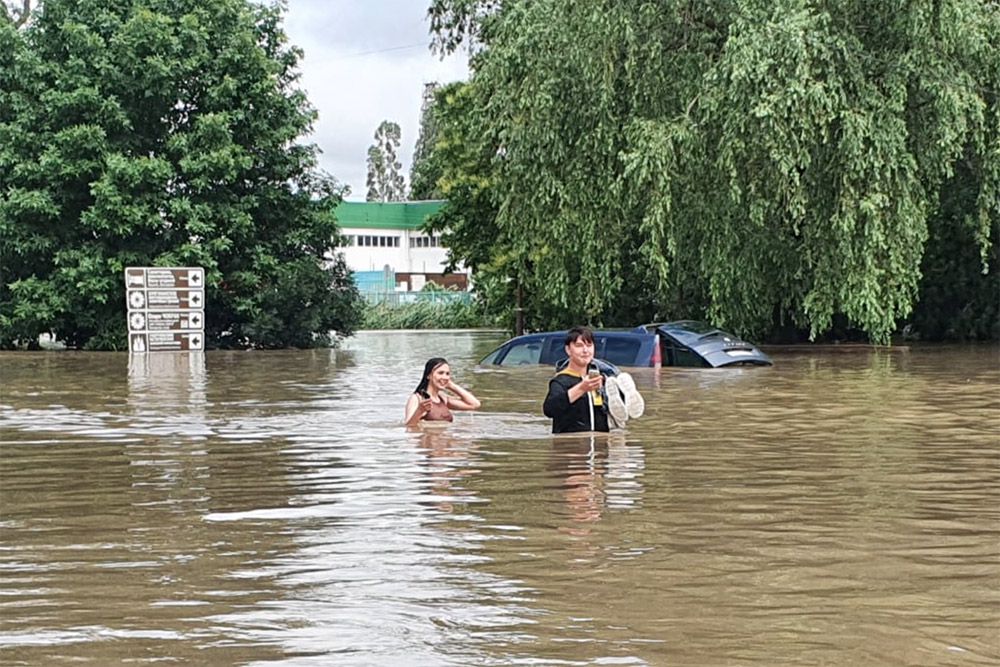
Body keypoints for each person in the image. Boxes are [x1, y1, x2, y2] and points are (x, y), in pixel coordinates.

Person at [543, 326, 610, 433]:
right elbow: (549, 410)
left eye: (589, 345)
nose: (585, 350)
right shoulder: (560, 380)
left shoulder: (598, 378)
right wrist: (581, 388)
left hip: (599, 441)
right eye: (579, 346)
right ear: (568, 350)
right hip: (571, 442)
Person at [404, 357, 481, 427]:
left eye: (447, 374)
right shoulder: (417, 398)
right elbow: (409, 426)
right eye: (440, 373)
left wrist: (451, 385)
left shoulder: (443, 398)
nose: (445, 377)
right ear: (428, 375)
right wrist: (420, 410)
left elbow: (474, 404)